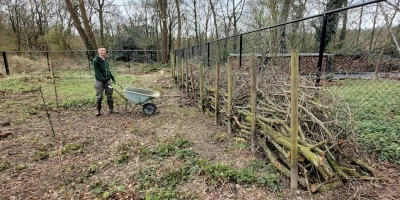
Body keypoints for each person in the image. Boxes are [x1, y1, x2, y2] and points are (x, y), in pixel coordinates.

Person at [93, 47, 116, 116]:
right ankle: (98, 111)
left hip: (108, 80)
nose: (103, 51)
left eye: (104, 50)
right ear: (98, 52)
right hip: (100, 81)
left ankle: (111, 109)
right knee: (99, 96)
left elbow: (108, 70)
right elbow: (97, 72)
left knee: (109, 95)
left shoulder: (105, 60)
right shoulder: (96, 60)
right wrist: (103, 80)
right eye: (102, 50)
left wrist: (112, 78)